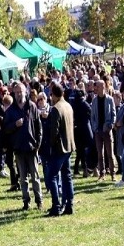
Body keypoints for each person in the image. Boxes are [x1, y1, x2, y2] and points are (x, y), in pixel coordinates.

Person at [3, 83, 43, 211]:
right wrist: (15, 124)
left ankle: (39, 200)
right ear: (14, 94)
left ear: (26, 92)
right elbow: (6, 129)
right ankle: (26, 201)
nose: (19, 94)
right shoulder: (10, 111)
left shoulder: (32, 106)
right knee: (23, 178)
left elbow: (38, 126)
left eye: (21, 91)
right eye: (17, 92)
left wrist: (38, 143)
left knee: (35, 176)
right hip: (19, 148)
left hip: (32, 147)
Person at [46, 83, 76, 216]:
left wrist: (51, 145)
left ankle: (56, 205)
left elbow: (54, 132)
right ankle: (69, 204)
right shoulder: (68, 105)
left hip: (59, 148)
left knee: (51, 176)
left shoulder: (56, 108)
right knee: (66, 176)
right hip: (68, 145)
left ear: (53, 94)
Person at [91, 81, 116, 181]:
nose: (96, 88)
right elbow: (92, 117)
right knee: (100, 154)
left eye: (97, 86)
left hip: (107, 130)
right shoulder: (94, 100)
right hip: (98, 130)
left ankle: (113, 173)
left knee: (110, 153)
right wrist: (95, 128)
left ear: (103, 87)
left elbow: (114, 114)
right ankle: (102, 174)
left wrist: (110, 126)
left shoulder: (109, 99)